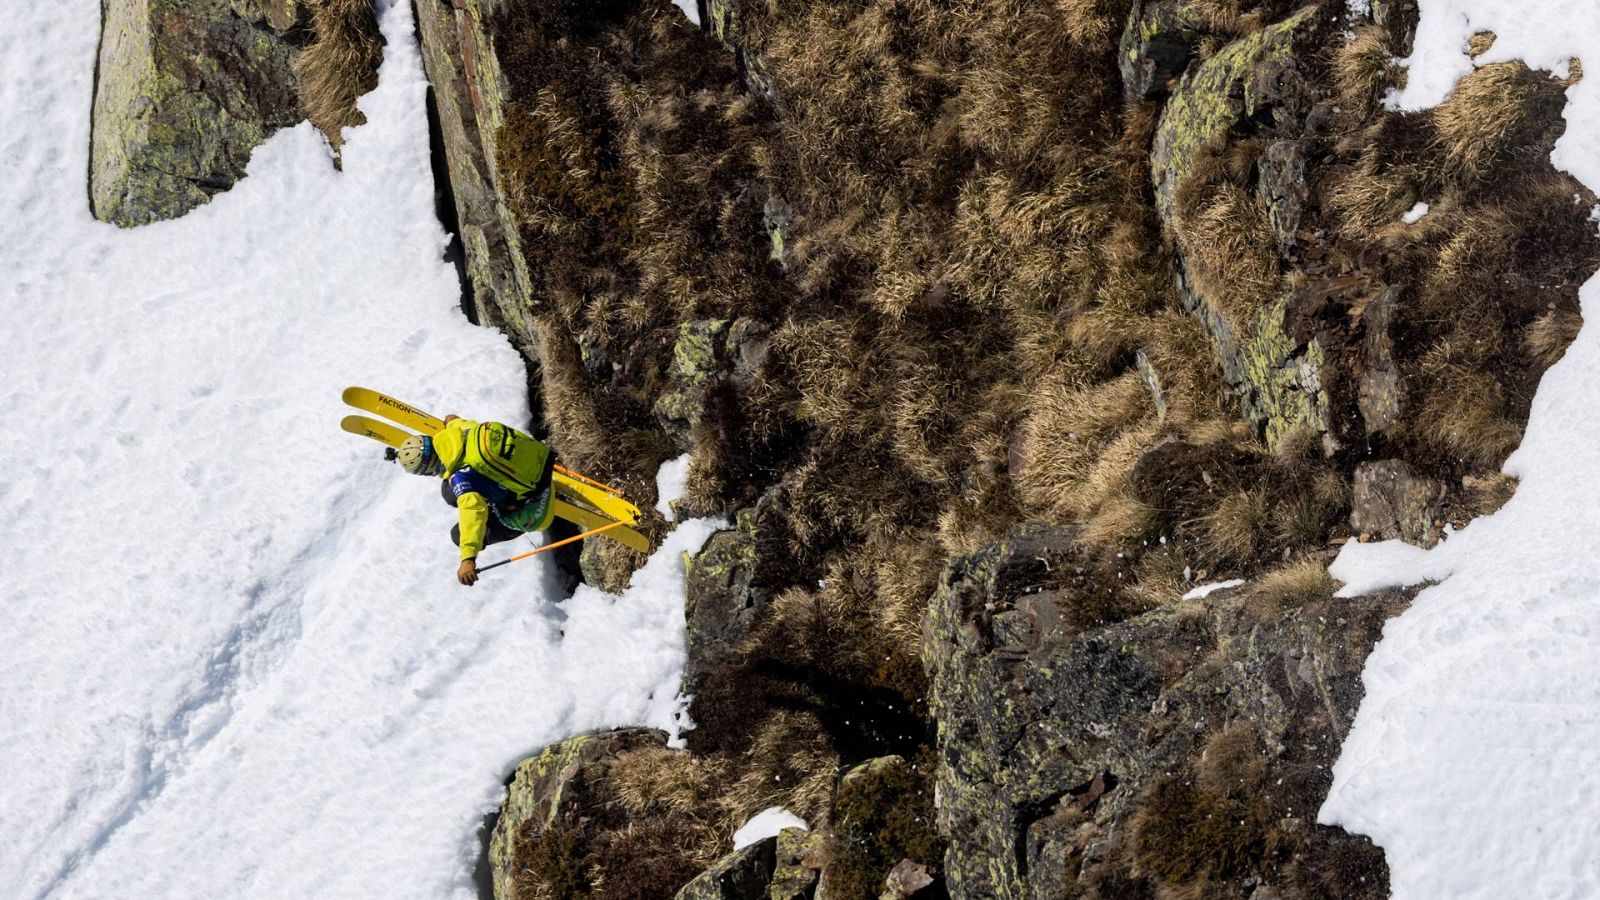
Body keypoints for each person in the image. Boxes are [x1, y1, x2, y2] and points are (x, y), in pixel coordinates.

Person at [391, 414, 556, 586]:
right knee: (449, 491)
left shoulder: (462, 479)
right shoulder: (460, 430)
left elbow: (472, 512)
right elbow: (454, 421)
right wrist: (450, 421)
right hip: (539, 456)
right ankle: (499, 491)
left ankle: (506, 503)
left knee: (458, 534)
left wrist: (468, 558)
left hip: (535, 505)